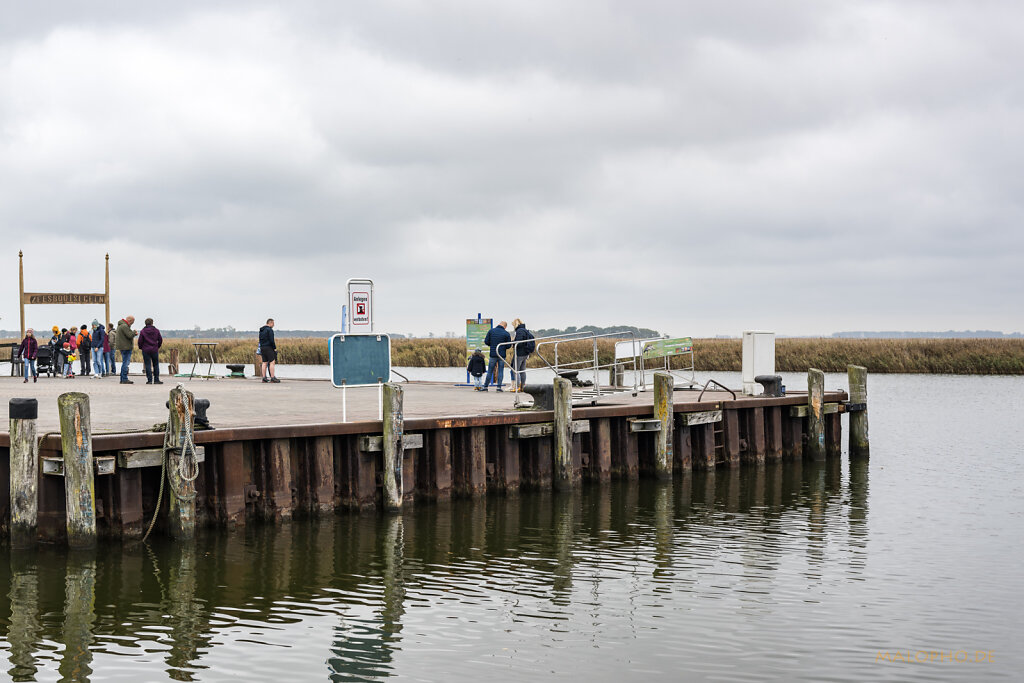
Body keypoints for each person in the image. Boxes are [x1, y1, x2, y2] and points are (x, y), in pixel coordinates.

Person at [482, 321, 511, 391]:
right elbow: (509, 345)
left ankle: (485, 387)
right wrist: (503, 347)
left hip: (493, 354)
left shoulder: (491, 331)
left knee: (490, 371)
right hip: (502, 355)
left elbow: (486, 341)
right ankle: (498, 387)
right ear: (505, 327)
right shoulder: (506, 333)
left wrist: (491, 345)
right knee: (500, 371)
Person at [510, 318, 535, 392]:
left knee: (515, 370)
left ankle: (517, 386)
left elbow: (519, 342)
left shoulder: (519, 331)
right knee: (522, 370)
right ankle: (523, 386)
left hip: (520, 353)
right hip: (525, 353)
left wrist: (513, 343)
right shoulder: (525, 330)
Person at [138, 318, 164, 384]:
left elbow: (140, 341)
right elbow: (160, 340)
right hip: (154, 349)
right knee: (156, 364)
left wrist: (141, 347)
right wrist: (157, 346)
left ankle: (149, 380)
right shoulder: (156, 330)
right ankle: (156, 379)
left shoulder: (143, 331)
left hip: (145, 350)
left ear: (145, 323)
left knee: (147, 365)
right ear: (152, 323)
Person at [115, 315, 137, 384]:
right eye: (132, 322)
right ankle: (124, 378)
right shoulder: (124, 326)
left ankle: (122, 378)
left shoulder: (121, 325)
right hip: (126, 347)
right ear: (130, 320)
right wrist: (134, 332)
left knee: (124, 362)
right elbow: (129, 335)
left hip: (122, 346)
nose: (132, 324)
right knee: (126, 363)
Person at [259, 318, 280, 383]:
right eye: (273, 323)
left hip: (262, 347)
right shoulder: (269, 330)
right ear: (270, 323)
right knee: (272, 362)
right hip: (269, 347)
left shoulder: (261, 330)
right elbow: (271, 340)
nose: (273, 325)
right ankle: (272, 377)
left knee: (264, 362)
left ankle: (264, 377)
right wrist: (274, 348)